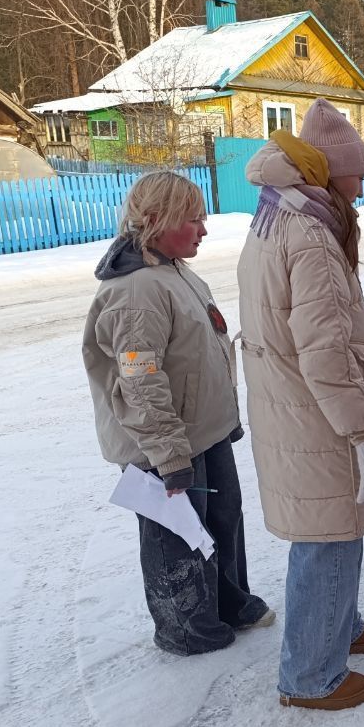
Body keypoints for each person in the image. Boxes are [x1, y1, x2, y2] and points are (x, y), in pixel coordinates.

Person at [237, 98, 364, 712]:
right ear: (329, 171)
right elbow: (325, 354)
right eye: (358, 172)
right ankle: (309, 674)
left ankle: (341, 626)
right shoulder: (309, 234)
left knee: (338, 523)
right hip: (316, 413)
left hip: (298, 407)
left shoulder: (286, 213)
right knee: (327, 532)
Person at [83, 171, 272, 656]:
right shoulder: (136, 292)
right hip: (162, 446)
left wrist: (219, 420)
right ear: (154, 221)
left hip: (200, 432)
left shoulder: (174, 271)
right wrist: (168, 455)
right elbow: (140, 382)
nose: (203, 230)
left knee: (223, 517)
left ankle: (227, 602)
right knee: (179, 536)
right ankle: (186, 628)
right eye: (193, 219)